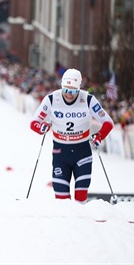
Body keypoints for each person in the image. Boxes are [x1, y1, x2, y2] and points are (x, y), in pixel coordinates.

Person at [30, 68, 114, 202]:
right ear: (62, 86)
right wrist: (42, 127)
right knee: (61, 199)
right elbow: (34, 122)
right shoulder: (52, 99)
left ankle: (80, 223)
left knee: (80, 199)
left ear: (79, 89)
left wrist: (99, 136)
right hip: (60, 153)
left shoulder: (88, 99)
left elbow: (108, 122)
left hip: (82, 153)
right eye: (66, 90)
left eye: (73, 91)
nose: (69, 94)